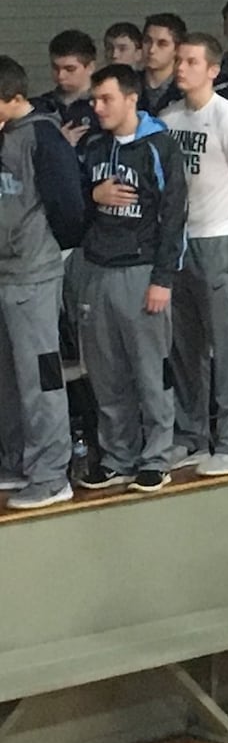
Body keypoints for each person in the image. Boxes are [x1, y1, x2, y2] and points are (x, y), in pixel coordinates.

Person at [159, 33, 228, 476]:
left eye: (190, 61)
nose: (180, 68)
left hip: (220, 241)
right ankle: (191, 436)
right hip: (180, 243)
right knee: (186, 347)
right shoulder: (168, 119)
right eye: (179, 61)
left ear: (212, 70)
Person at [76, 64, 186, 493]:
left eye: (105, 99)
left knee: (150, 369)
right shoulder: (93, 146)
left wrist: (163, 279)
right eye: (94, 100)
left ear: (130, 98)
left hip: (142, 272)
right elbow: (71, 209)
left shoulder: (159, 147)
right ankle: (118, 455)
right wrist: (93, 194)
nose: (97, 107)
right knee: (106, 371)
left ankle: (156, 455)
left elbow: (175, 217)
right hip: (98, 270)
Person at [0, 55, 84, 510]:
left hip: (34, 275)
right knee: (8, 381)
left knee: (41, 380)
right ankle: (16, 462)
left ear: (11, 98)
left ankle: (52, 473)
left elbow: (70, 209)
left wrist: (44, 248)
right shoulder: (4, 137)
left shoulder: (43, 137)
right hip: (3, 276)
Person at [32, 29, 98, 142]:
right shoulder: (42, 106)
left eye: (70, 69)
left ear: (90, 67)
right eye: (55, 68)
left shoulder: (103, 106)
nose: (61, 75)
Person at [138, 13, 186, 117]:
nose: (151, 50)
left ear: (177, 49)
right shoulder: (128, 85)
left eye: (162, 44)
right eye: (147, 41)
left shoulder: (186, 89)